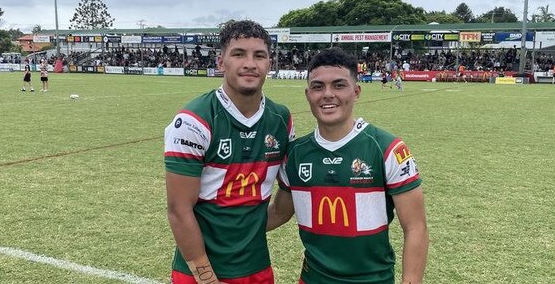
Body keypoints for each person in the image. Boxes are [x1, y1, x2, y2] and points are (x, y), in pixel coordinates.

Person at [267, 48, 428, 284]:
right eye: (318, 86)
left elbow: (416, 228)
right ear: (308, 94)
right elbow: (280, 212)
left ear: (356, 91)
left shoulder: (387, 148)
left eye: (339, 85)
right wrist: (225, 225)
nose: (327, 94)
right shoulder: (295, 154)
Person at [164, 20, 295, 284]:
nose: (250, 63)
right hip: (200, 272)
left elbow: (289, 192)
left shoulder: (281, 119)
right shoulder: (194, 120)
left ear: (270, 63)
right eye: (239, 54)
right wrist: (207, 278)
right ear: (221, 62)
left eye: (259, 55)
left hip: (257, 268)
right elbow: (179, 210)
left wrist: (248, 230)